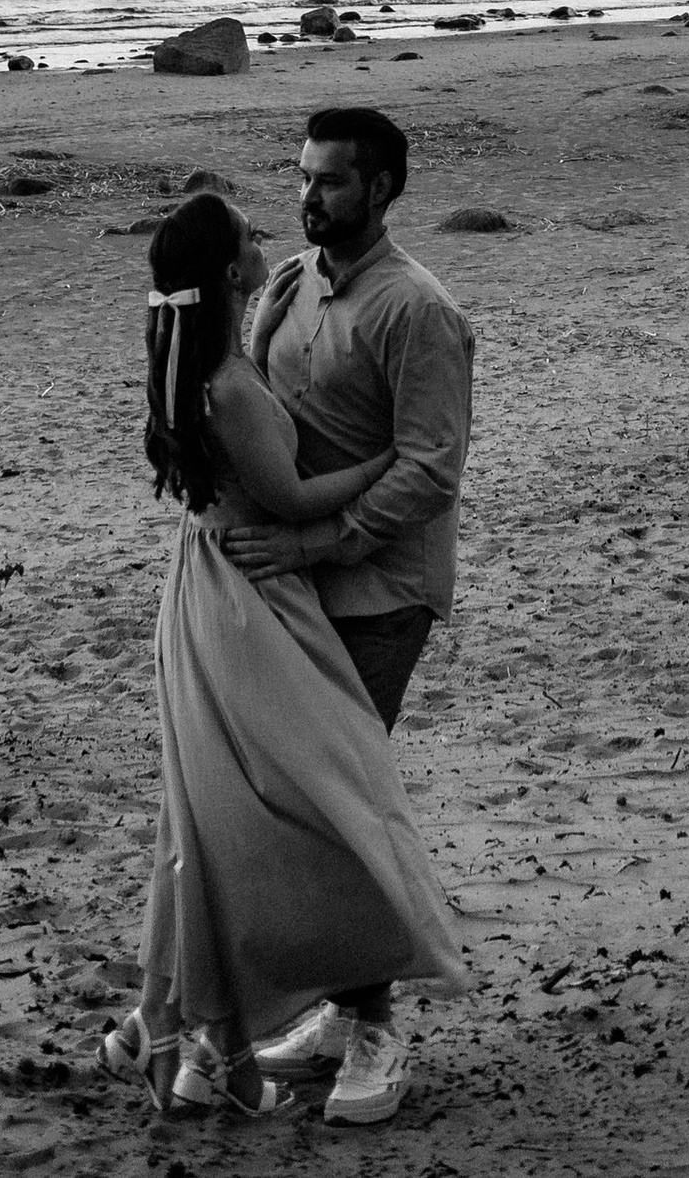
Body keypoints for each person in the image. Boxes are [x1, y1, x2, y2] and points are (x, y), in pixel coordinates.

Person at [98, 178, 470, 1123]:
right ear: (232, 272)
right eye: (258, 225)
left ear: (381, 186)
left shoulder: (197, 358)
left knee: (209, 817)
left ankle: (175, 1022)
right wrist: (391, 458)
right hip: (256, 596)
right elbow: (296, 493)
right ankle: (279, 1023)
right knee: (326, 803)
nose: (292, 209)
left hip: (214, 583)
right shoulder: (244, 353)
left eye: (323, 179)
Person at [220, 104, 476, 1125]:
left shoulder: (418, 311)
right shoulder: (288, 282)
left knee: (341, 806)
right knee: (297, 804)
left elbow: (430, 470)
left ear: (379, 188)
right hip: (296, 586)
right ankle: (339, 1012)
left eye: (328, 180)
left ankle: (374, 1031)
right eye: (301, 176)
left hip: (381, 594)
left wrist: (316, 542)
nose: (307, 194)